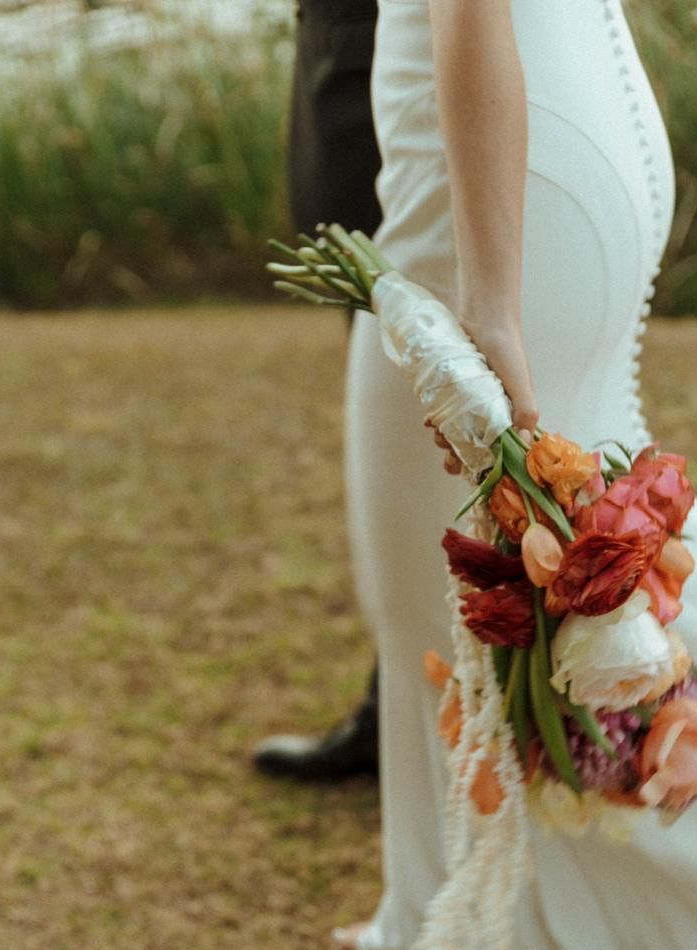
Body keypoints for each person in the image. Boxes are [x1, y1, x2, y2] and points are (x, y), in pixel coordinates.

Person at [336, 0, 697, 950]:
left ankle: (516, 908)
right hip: (537, 115)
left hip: (498, 167)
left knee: (474, 561)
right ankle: (487, 910)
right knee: (526, 566)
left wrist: (487, 297)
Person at [253, 0, 382, 782]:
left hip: (386, 67)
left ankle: (440, 711)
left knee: (434, 408)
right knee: (397, 414)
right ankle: (405, 699)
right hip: (343, 60)